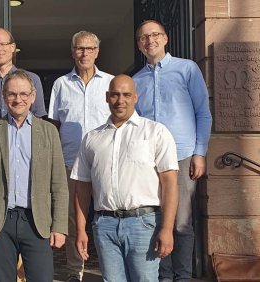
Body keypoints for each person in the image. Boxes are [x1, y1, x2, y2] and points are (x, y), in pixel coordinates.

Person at [72, 74, 179, 281]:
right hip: (104, 225)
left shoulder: (155, 132)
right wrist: (80, 230)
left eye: (126, 95)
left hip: (144, 224)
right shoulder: (92, 138)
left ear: (136, 97)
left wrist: (167, 229)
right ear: (106, 97)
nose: (120, 101)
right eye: (115, 95)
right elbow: (82, 187)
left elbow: (170, 184)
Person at [132, 19, 212, 281]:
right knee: (156, 221)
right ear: (139, 44)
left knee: (181, 222)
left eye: (155, 35)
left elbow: (203, 113)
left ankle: (183, 276)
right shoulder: (136, 80)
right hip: (149, 161)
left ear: (165, 38)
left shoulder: (186, 69)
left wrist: (200, 153)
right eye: (144, 37)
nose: (150, 40)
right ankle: (163, 276)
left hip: (183, 154)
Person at [0, 69, 68, 282]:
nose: (18, 99)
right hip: (0, 222)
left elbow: (59, 183)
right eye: (12, 94)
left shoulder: (48, 132)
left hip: (37, 222)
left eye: (24, 94)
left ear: (33, 97)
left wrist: (60, 226)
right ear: (4, 97)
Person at [47, 30, 113, 282]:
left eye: (89, 48)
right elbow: (53, 125)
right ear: (72, 51)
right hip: (70, 162)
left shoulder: (110, 82)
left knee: (107, 218)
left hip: (105, 162)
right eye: (79, 48)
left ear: (97, 51)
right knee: (74, 221)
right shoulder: (60, 85)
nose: (84, 53)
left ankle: (110, 271)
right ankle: (76, 272)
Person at [0, 27, 47, 156]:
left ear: (12, 47)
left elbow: (39, 122)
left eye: (3, 44)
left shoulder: (32, 80)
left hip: (25, 153)